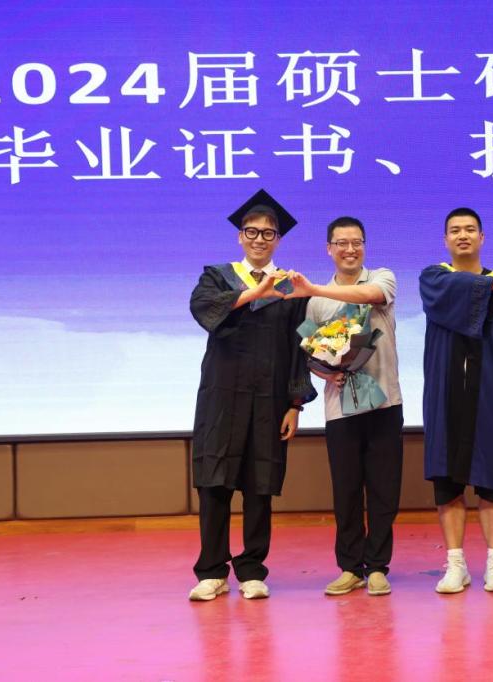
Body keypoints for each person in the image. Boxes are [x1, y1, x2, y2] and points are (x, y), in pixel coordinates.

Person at [187, 189, 316, 601]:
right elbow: (203, 310)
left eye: (268, 233)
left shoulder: (291, 287)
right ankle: (212, 571)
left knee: (260, 484)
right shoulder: (217, 276)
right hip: (222, 396)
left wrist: (295, 404)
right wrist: (255, 294)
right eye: (252, 232)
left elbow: (299, 348)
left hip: (269, 398)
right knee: (215, 482)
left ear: (278, 239)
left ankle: (252, 570)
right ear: (240, 236)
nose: (260, 239)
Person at [290, 216, 404, 597]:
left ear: (364, 246)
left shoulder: (382, 278)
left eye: (357, 242)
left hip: (385, 402)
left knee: (384, 489)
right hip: (340, 409)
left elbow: (370, 297)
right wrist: (329, 373)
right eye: (341, 243)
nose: (350, 249)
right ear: (329, 248)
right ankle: (350, 567)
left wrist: (315, 288)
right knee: (346, 491)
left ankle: (378, 567)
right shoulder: (315, 301)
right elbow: (309, 352)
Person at [420, 207, 493, 594]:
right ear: (445, 239)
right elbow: (454, 292)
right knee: (447, 483)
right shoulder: (433, 278)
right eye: (455, 230)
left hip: (489, 393)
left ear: (482, 237)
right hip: (445, 393)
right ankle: (455, 565)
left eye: (470, 229)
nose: (462, 235)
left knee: (491, 481)